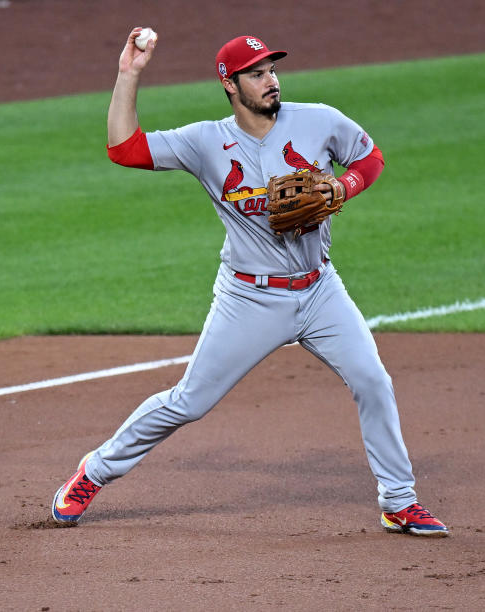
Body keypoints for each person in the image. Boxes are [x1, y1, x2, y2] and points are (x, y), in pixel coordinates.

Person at [51, 28, 448, 537]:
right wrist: (129, 74)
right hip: (248, 298)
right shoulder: (205, 142)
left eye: (273, 70)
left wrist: (343, 185)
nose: (271, 80)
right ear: (230, 86)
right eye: (256, 74)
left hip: (319, 289)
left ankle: (399, 501)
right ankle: (93, 473)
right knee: (188, 401)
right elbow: (124, 149)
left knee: (373, 381)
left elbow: (370, 158)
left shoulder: (319, 120)